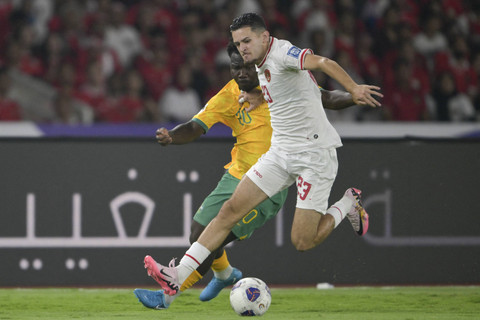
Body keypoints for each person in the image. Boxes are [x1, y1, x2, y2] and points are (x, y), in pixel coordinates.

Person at [143, 12, 382, 298]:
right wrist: (259, 97)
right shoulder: (255, 67)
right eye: (237, 43)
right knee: (229, 210)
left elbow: (322, 62)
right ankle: (177, 275)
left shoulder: (283, 53)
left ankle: (347, 202)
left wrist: (353, 88)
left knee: (302, 241)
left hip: (314, 155)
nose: (243, 48)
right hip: (280, 153)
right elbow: (280, 90)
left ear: (264, 37)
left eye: (247, 41)